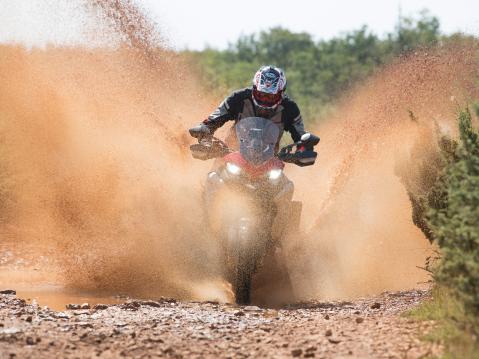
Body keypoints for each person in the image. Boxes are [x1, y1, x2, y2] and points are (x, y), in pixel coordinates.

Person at [191, 65, 309, 151]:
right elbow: (214, 118)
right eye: (261, 94)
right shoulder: (238, 98)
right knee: (213, 177)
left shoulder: (290, 108)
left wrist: (304, 148)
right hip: (231, 153)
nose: (264, 99)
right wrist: (205, 130)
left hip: (269, 162)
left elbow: (301, 136)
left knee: (286, 185)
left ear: (281, 93)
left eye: (270, 96)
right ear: (254, 88)